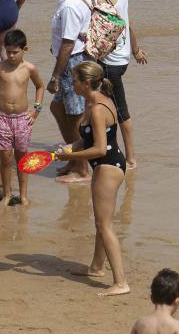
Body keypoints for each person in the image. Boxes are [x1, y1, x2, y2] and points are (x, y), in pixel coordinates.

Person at [55, 61, 130, 296]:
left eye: (75, 80)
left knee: (104, 225)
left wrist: (74, 155)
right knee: (101, 221)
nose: (72, 83)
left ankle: (121, 282)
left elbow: (98, 149)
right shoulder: (93, 102)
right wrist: (69, 148)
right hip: (107, 165)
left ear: (86, 83)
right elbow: (86, 140)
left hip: (108, 166)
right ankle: (97, 267)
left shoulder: (97, 109)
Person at [83, 0, 147, 169]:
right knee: (110, 106)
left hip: (109, 63)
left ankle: (130, 158)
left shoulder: (101, 2)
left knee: (120, 111)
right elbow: (127, 23)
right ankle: (110, 147)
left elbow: (100, 42)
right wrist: (136, 50)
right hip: (123, 57)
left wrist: (86, 43)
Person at [0, 30, 44, 205]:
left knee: (22, 158)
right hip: (1, 118)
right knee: (5, 158)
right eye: (8, 51)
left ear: (25, 49)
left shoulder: (29, 69)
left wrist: (36, 109)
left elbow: (40, 87)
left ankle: (23, 195)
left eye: (15, 52)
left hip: (23, 118)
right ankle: (7, 194)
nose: (11, 55)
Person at [47, 0, 94, 183]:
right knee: (57, 107)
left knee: (75, 116)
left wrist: (55, 76)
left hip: (72, 62)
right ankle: (73, 158)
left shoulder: (69, 6)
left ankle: (82, 168)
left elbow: (67, 44)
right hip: (78, 59)